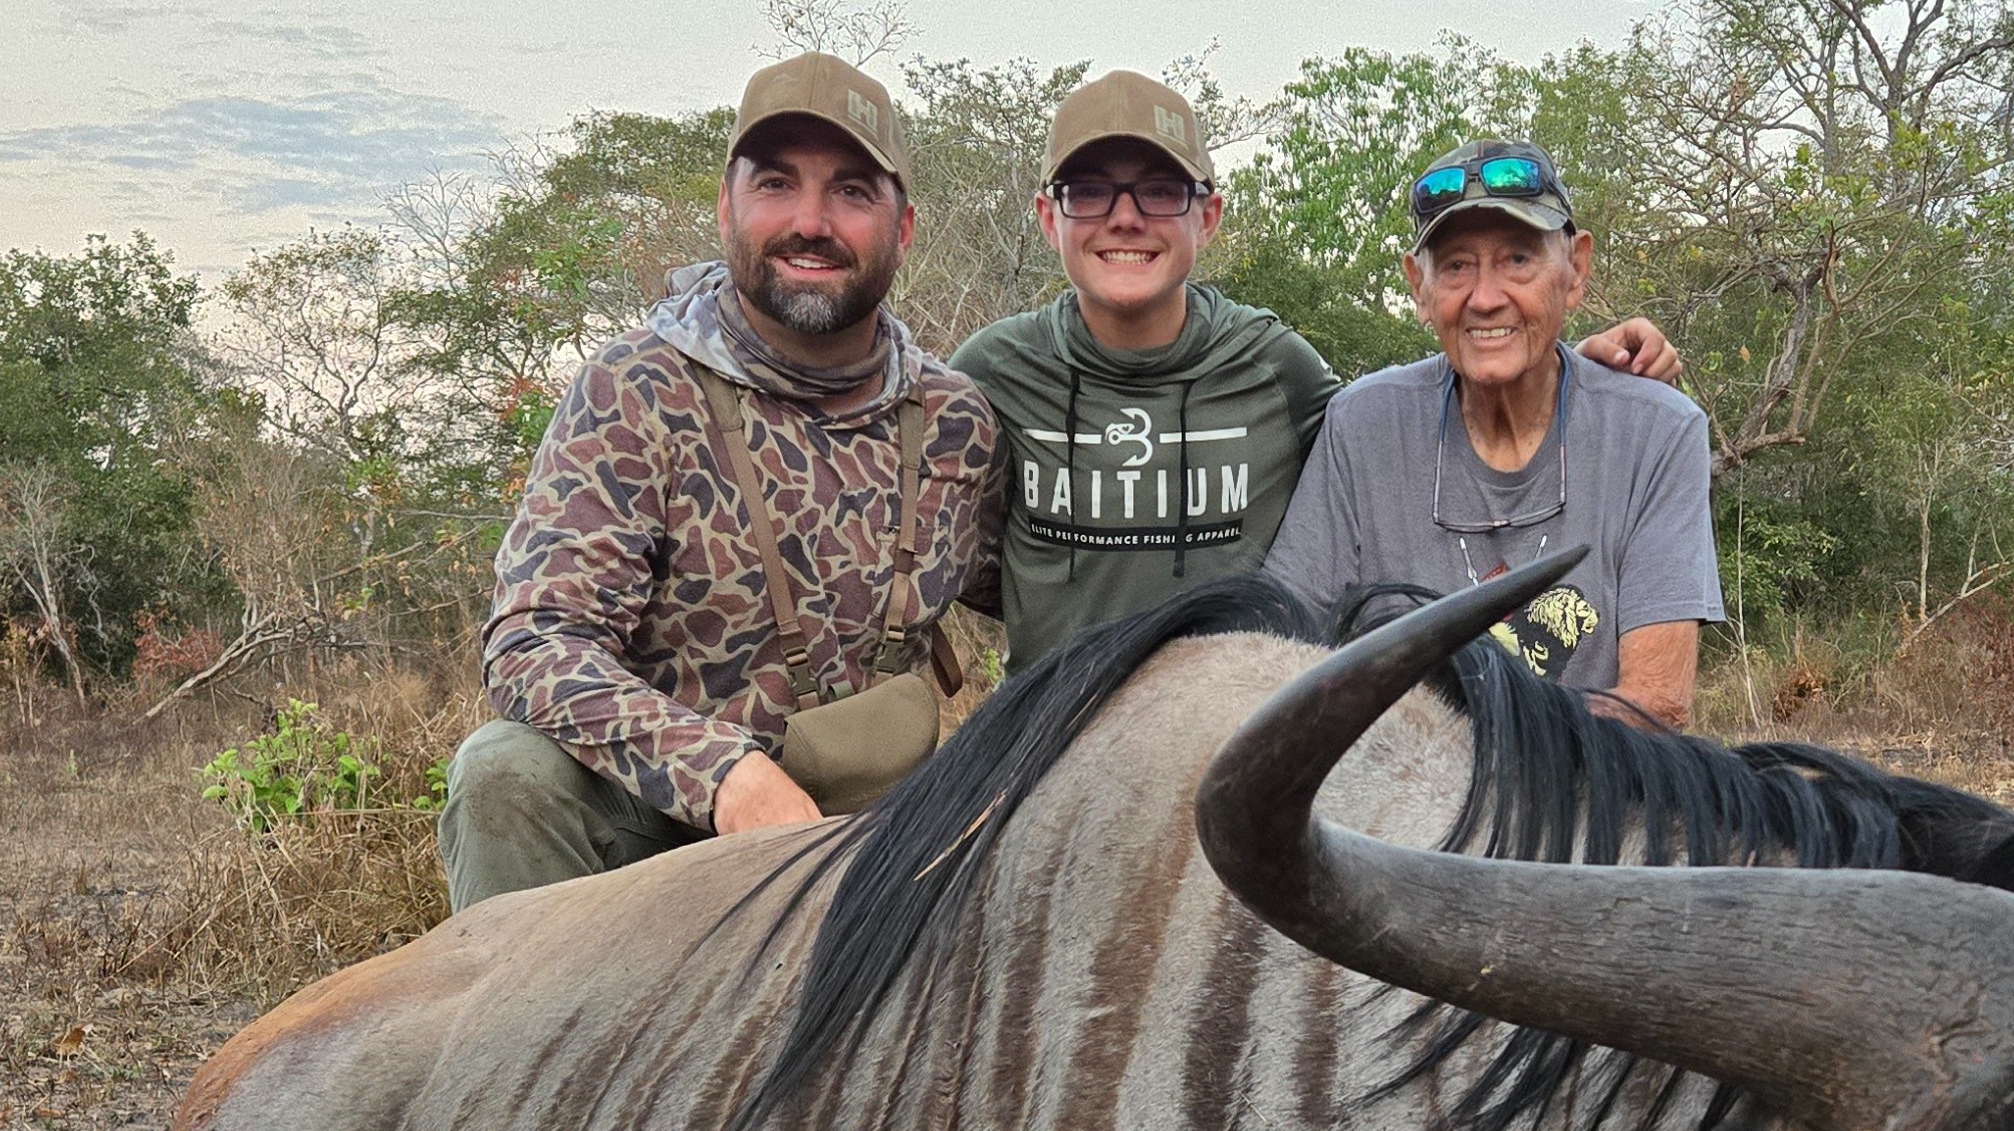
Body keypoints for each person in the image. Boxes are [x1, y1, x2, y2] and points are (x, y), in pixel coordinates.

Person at [440, 52, 1004, 911]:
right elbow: (535, 643)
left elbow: (1048, 588)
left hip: (882, 835)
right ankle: (548, 1040)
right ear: (726, 207)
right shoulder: (636, 390)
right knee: (503, 774)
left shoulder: (959, 421)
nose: (811, 222)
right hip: (669, 826)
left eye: (852, 191)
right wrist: (726, 776)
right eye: (777, 184)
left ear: (905, 227)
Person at [954, 74, 1683, 664]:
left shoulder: (1277, 368)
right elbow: (972, 569)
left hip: (1222, 750)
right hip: (1044, 754)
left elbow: (1416, 418)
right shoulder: (990, 374)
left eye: (1159, 191)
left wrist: (1565, 371)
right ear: (1049, 218)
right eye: (1088, 193)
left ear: (1207, 217)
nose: (1124, 218)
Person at [1262, 140, 1720, 729]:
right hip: (1395, 804)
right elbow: (1279, 653)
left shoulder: (1658, 431)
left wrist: (1440, 737)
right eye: (1455, 266)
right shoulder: (1363, 425)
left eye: (1518, 260)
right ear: (1419, 287)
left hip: (1584, 800)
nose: (1484, 297)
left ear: (1575, 271)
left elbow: (1656, 705)